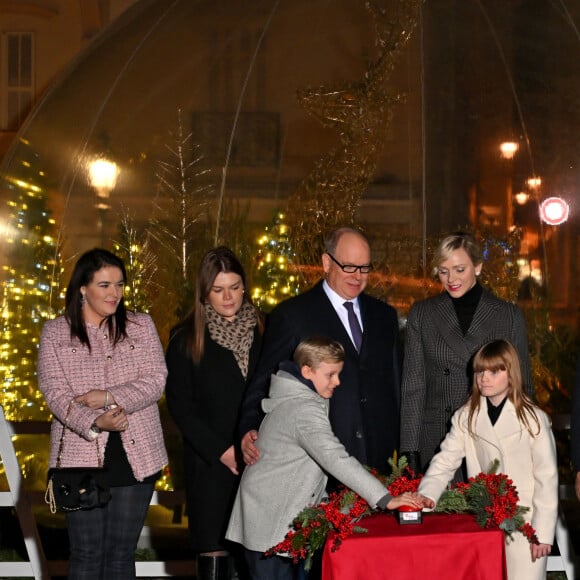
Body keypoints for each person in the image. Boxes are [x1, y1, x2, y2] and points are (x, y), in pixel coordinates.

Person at [226, 337, 422, 580]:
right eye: (331, 374)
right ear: (307, 371)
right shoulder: (303, 408)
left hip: (276, 517)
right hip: (271, 524)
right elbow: (334, 457)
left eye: (338, 374)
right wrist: (385, 498)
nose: (337, 382)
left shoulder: (302, 396)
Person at [37, 248, 168, 580]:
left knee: (121, 556)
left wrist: (108, 397)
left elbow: (155, 380)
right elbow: (54, 392)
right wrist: (94, 422)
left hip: (135, 455)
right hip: (79, 459)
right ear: (83, 287)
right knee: (85, 554)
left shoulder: (141, 325)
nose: (115, 294)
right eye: (105, 285)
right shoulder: (56, 332)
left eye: (120, 285)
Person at [238, 226, 401, 475]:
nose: (357, 276)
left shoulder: (385, 316)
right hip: (320, 459)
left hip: (381, 458)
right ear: (327, 262)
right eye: (348, 266)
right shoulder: (292, 316)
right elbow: (264, 380)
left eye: (364, 268)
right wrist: (249, 426)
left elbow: (396, 383)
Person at [416, 339, 557, 580]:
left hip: (527, 525)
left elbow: (547, 478)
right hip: (486, 522)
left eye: (494, 371)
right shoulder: (466, 416)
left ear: (511, 374)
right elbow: (446, 459)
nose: (485, 378)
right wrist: (426, 495)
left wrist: (541, 534)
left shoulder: (534, 419)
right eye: (480, 371)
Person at [165, 247, 264, 580]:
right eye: (218, 289)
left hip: (260, 459)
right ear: (204, 291)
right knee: (214, 549)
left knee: (256, 552)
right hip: (210, 464)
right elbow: (180, 405)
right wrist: (221, 450)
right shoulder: (186, 337)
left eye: (235, 287)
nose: (228, 297)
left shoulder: (265, 329)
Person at [400, 231, 533, 475]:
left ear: (478, 267)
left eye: (460, 269)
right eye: (443, 271)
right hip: (437, 440)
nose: (451, 278)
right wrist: (409, 450)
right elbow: (413, 387)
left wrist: (522, 446)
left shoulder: (508, 315)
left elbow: (522, 386)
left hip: (492, 439)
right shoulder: (423, 313)